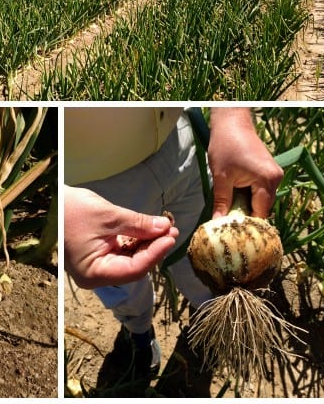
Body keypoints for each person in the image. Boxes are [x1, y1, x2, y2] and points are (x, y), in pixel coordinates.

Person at [64, 107, 283, 378]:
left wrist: (232, 115)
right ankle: (139, 333)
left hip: (179, 144)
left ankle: (212, 314)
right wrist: (62, 205)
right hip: (90, 187)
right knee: (122, 282)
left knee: (204, 262)